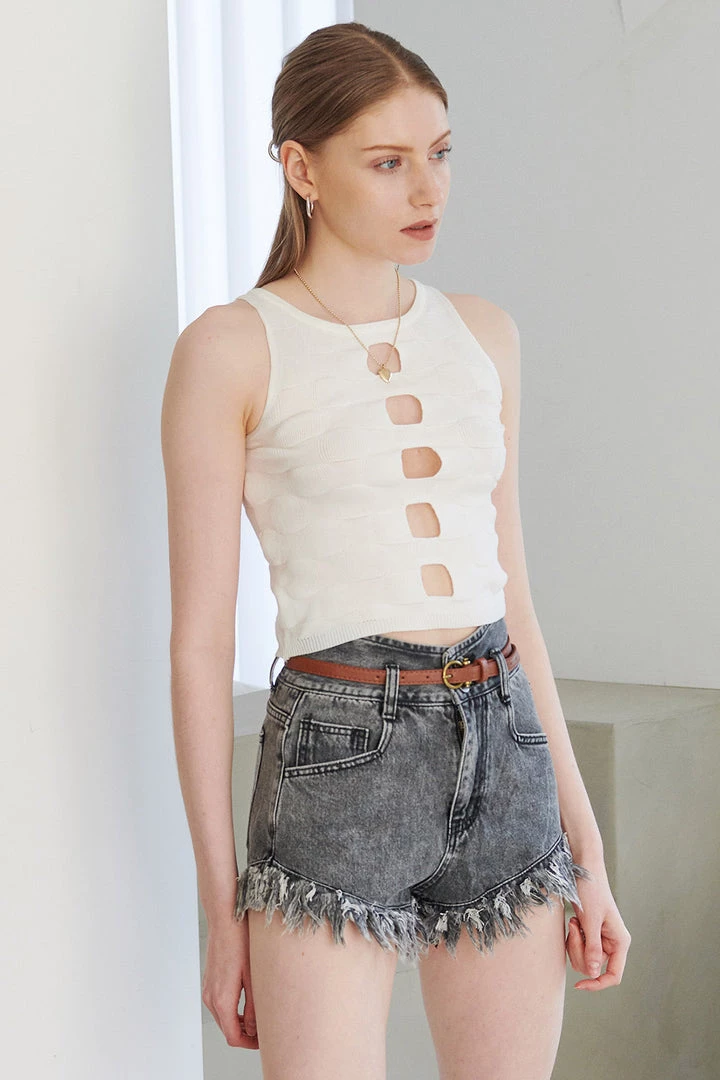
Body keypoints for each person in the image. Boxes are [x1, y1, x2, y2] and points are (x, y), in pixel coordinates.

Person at [161, 20, 631, 1080]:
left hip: (504, 743)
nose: (428, 189)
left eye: (440, 153)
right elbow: (198, 647)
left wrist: (586, 849)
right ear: (301, 168)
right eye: (387, 162)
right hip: (338, 755)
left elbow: (516, 601)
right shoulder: (232, 348)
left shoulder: (484, 334)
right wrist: (222, 910)